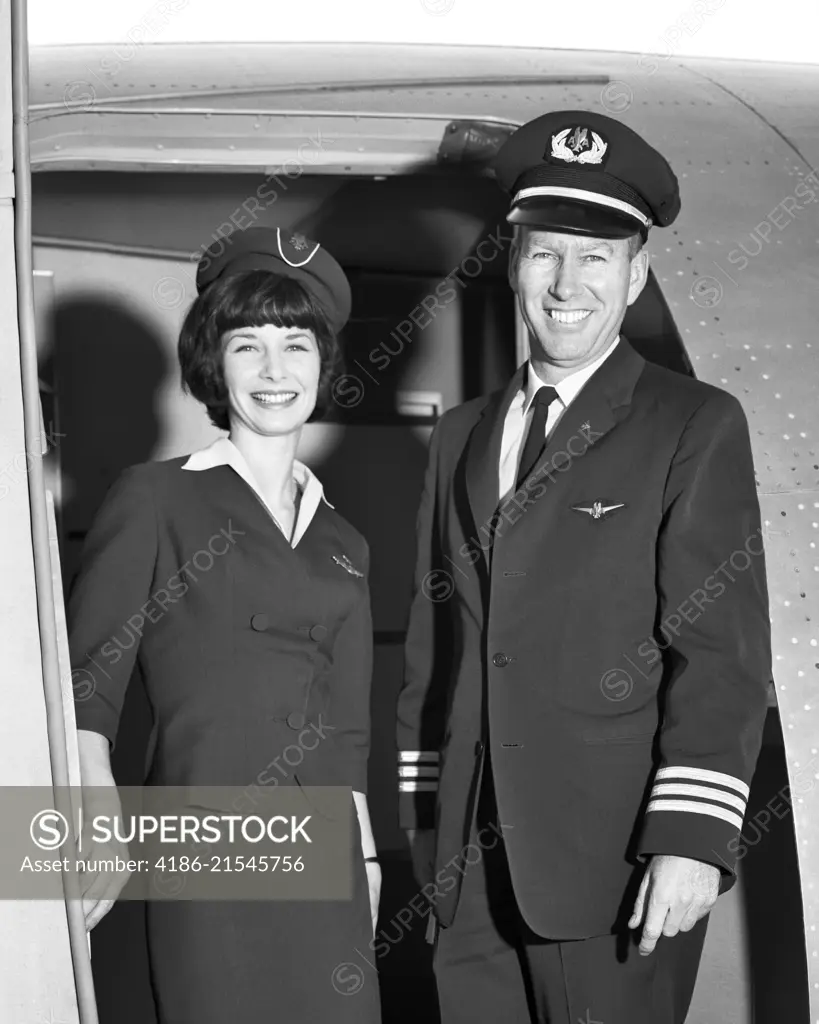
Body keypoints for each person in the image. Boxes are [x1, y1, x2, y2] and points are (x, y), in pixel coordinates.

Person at [396, 111, 771, 1024]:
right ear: (514, 262)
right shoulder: (462, 435)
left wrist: (688, 839)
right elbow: (431, 643)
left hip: (614, 866)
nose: (566, 284)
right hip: (467, 867)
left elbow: (718, 651)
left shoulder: (692, 423)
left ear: (636, 273)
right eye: (545, 253)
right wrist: (422, 827)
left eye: (595, 256)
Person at [69, 226, 381, 1023]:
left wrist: (369, 857)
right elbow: (88, 678)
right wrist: (94, 809)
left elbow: (345, 727)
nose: (274, 372)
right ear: (215, 363)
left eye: (297, 346)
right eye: (248, 346)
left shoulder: (345, 541)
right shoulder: (156, 498)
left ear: (324, 365)